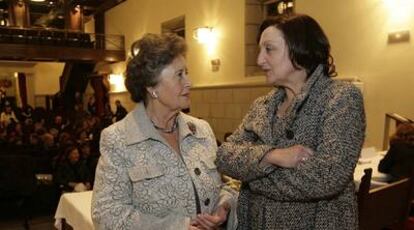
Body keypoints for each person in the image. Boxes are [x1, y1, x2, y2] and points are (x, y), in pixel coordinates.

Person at [215, 14, 366, 229]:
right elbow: (224, 155)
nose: (259, 60)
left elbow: (326, 177)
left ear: (299, 49)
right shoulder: (263, 105)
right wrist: (272, 156)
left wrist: (250, 176)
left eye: (269, 49)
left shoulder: (340, 98)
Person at [92, 33, 237, 230]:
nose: (189, 82)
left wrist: (224, 206)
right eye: (179, 75)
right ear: (152, 87)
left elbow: (228, 183)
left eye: (187, 72)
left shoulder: (201, 130)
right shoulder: (118, 139)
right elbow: (107, 215)